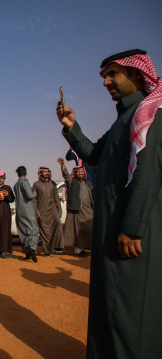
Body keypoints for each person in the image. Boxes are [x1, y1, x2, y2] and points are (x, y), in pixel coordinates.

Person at [56, 49, 162, 358]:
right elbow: (92, 154)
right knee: (110, 309)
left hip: (130, 233)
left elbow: (148, 172)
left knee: (129, 311)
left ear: (135, 74)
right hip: (112, 227)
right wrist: (71, 126)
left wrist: (132, 228)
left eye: (112, 74)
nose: (106, 82)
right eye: (104, 76)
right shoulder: (124, 119)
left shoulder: (149, 114)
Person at [58, 158, 93, 256]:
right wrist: (63, 166)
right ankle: (79, 250)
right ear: (75, 173)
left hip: (88, 210)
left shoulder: (88, 183)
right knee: (77, 230)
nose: (80, 173)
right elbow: (66, 175)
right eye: (78, 171)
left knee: (90, 228)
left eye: (82, 171)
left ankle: (89, 246)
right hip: (77, 209)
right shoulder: (71, 181)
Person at [33, 167, 64, 256]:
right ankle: (47, 251)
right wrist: (37, 212)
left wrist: (59, 209)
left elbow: (56, 198)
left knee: (58, 224)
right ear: (40, 173)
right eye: (45, 172)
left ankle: (58, 246)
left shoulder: (52, 183)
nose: (47, 173)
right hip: (42, 211)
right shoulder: (36, 184)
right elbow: (34, 200)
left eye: (48, 172)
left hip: (53, 209)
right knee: (45, 232)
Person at [13, 166, 39, 262]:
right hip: (28, 211)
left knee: (23, 231)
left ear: (17, 174)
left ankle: (26, 253)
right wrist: (35, 193)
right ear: (26, 173)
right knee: (33, 230)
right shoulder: (25, 182)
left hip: (19, 211)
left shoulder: (16, 184)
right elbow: (29, 195)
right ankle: (31, 248)